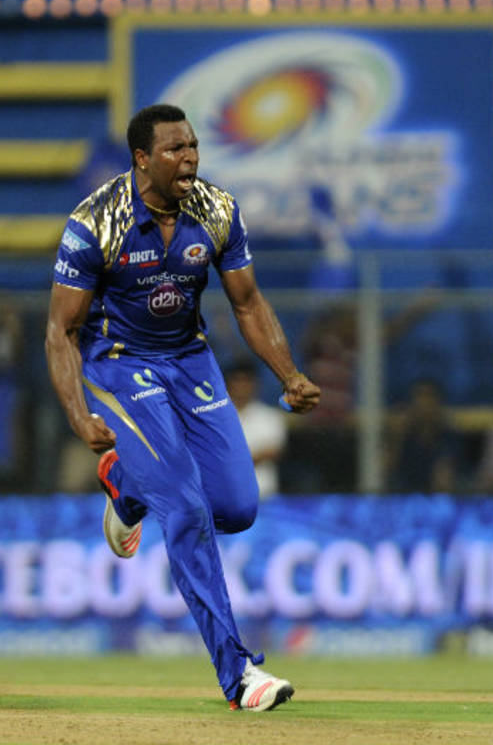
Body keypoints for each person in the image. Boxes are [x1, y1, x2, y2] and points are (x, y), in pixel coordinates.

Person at [45, 104, 320, 712]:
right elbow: (60, 331)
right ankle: (240, 675)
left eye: (193, 146)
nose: (190, 158)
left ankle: (127, 486)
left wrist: (289, 374)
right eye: (174, 149)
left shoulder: (217, 210)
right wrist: (77, 414)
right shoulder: (95, 223)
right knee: (189, 509)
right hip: (118, 363)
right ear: (142, 158)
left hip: (190, 360)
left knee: (238, 507)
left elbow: (248, 304)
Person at [223, 362, 288, 499]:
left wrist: (231, 461)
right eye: (237, 381)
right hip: (226, 496)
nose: (241, 386)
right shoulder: (216, 418)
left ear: (255, 384)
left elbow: (273, 451)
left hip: (264, 494)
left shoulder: (270, 416)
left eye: (246, 381)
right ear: (227, 384)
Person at [386, 378, 460, 493]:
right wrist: (396, 438)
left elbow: (445, 480)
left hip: (436, 501)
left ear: (438, 403)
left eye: (429, 397)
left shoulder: (449, 436)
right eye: (419, 397)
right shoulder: (403, 434)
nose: (424, 403)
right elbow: (383, 472)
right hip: (404, 498)